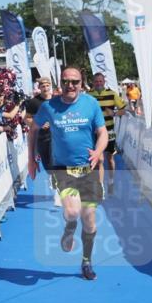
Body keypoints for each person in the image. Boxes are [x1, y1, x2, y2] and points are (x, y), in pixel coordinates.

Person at [28, 66, 108, 281]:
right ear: (60, 83)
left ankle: (86, 261)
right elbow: (33, 130)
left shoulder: (91, 104)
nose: (70, 85)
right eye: (66, 81)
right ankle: (69, 227)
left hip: (88, 169)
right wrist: (31, 160)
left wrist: (98, 151)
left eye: (75, 82)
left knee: (90, 221)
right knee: (73, 213)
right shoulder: (48, 106)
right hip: (63, 169)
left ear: (82, 84)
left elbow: (103, 133)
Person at [86, 72, 127, 196]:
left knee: (109, 159)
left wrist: (114, 113)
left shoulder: (112, 94)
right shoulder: (88, 95)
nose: (98, 83)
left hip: (109, 131)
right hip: (94, 132)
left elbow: (124, 110)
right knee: (99, 159)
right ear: (93, 82)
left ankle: (111, 181)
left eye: (100, 81)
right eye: (96, 81)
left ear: (104, 82)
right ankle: (100, 186)